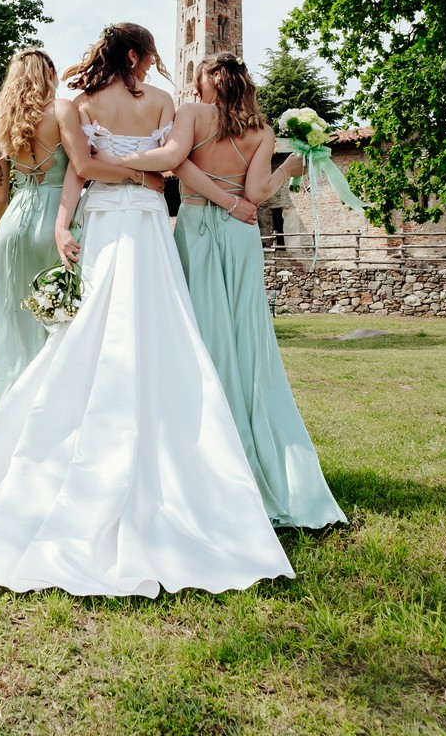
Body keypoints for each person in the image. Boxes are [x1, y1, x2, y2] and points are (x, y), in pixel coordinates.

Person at [0, 27, 294, 596]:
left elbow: (83, 171)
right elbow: (152, 166)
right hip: (141, 216)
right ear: (134, 56)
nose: (155, 64)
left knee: (139, 329)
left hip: (110, 217)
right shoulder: (158, 103)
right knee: (115, 330)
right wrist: (120, 185)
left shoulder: (83, 103)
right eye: (150, 55)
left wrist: (70, 216)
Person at [101, 51, 346, 529]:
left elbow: (177, 165)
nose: (194, 90)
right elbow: (256, 195)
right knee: (245, 339)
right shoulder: (262, 130)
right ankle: (253, 448)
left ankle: (204, 448)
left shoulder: (191, 114)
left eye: (198, 82)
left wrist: (221, 201)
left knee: (197, 333)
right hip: (240, 235)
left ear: (209, 83)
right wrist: (284, 173)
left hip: (195, 227)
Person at [0, 47, 164, 417]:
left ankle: (8, 412)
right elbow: (84, 165)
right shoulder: (61, 110)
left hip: (12, 226)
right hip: (56, 218)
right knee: (60, 319)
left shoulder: (3, 122)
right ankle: (50, 410)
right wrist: (137, 176)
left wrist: (3, 236)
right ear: (50, 74)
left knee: (14, 324)